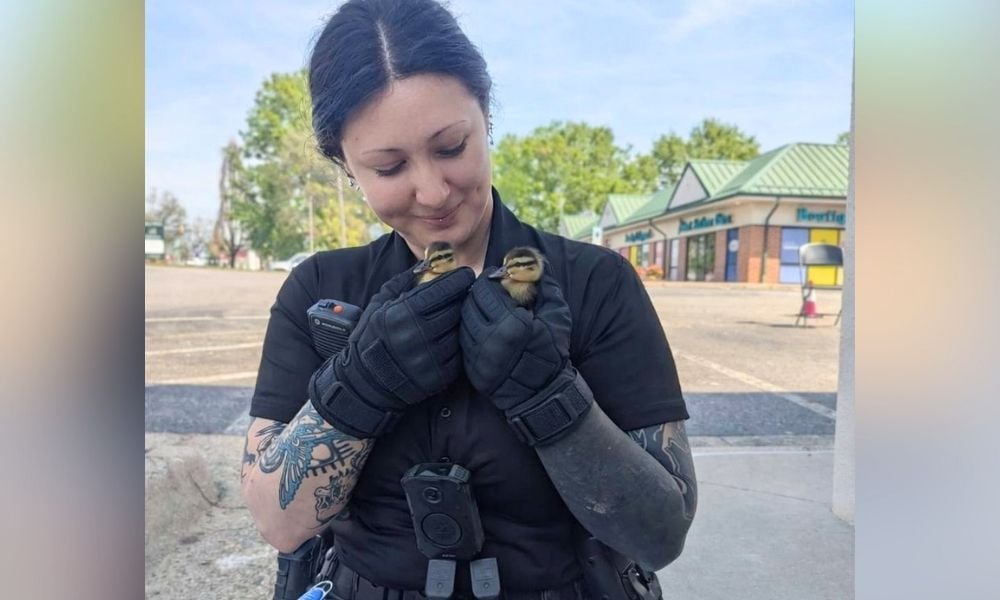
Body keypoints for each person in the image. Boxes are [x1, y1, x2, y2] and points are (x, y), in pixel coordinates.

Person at [240, 0, 697, 597]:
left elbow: (660, 535)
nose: (431, 191)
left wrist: (550, 400)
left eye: (452, 146)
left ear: (487, 117)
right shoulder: (319, 290)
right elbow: (279, 526)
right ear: (345, 167)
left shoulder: (596, 282)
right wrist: (359, 386)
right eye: (388, 166)